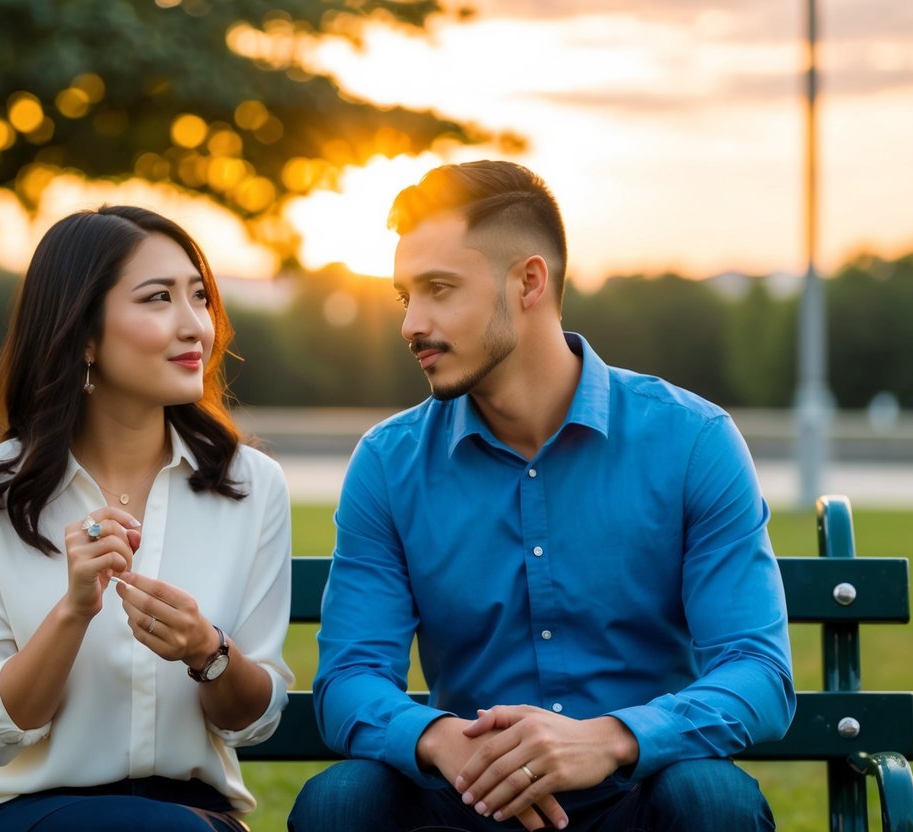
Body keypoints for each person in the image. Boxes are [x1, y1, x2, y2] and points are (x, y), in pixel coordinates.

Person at [289, 161, 794, 832]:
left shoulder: (690, 439)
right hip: (468, 795)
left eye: (439, 289)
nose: (412, 323)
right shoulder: (388, 463)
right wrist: (441, 742)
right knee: (342, 802)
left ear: (528, 281)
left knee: (710, 799)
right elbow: (351, 677)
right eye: (404, 295)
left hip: (633, 791)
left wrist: (610, 738)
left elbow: (756, 672)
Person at [0, 205, 293, 832]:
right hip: (25, 811)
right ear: (85, 336)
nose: (195, 328)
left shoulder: (252, 487)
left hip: (193, 814)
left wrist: (207, 651)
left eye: (200, 298)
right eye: (158, 299)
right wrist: (73, 611)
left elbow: (255, 719)